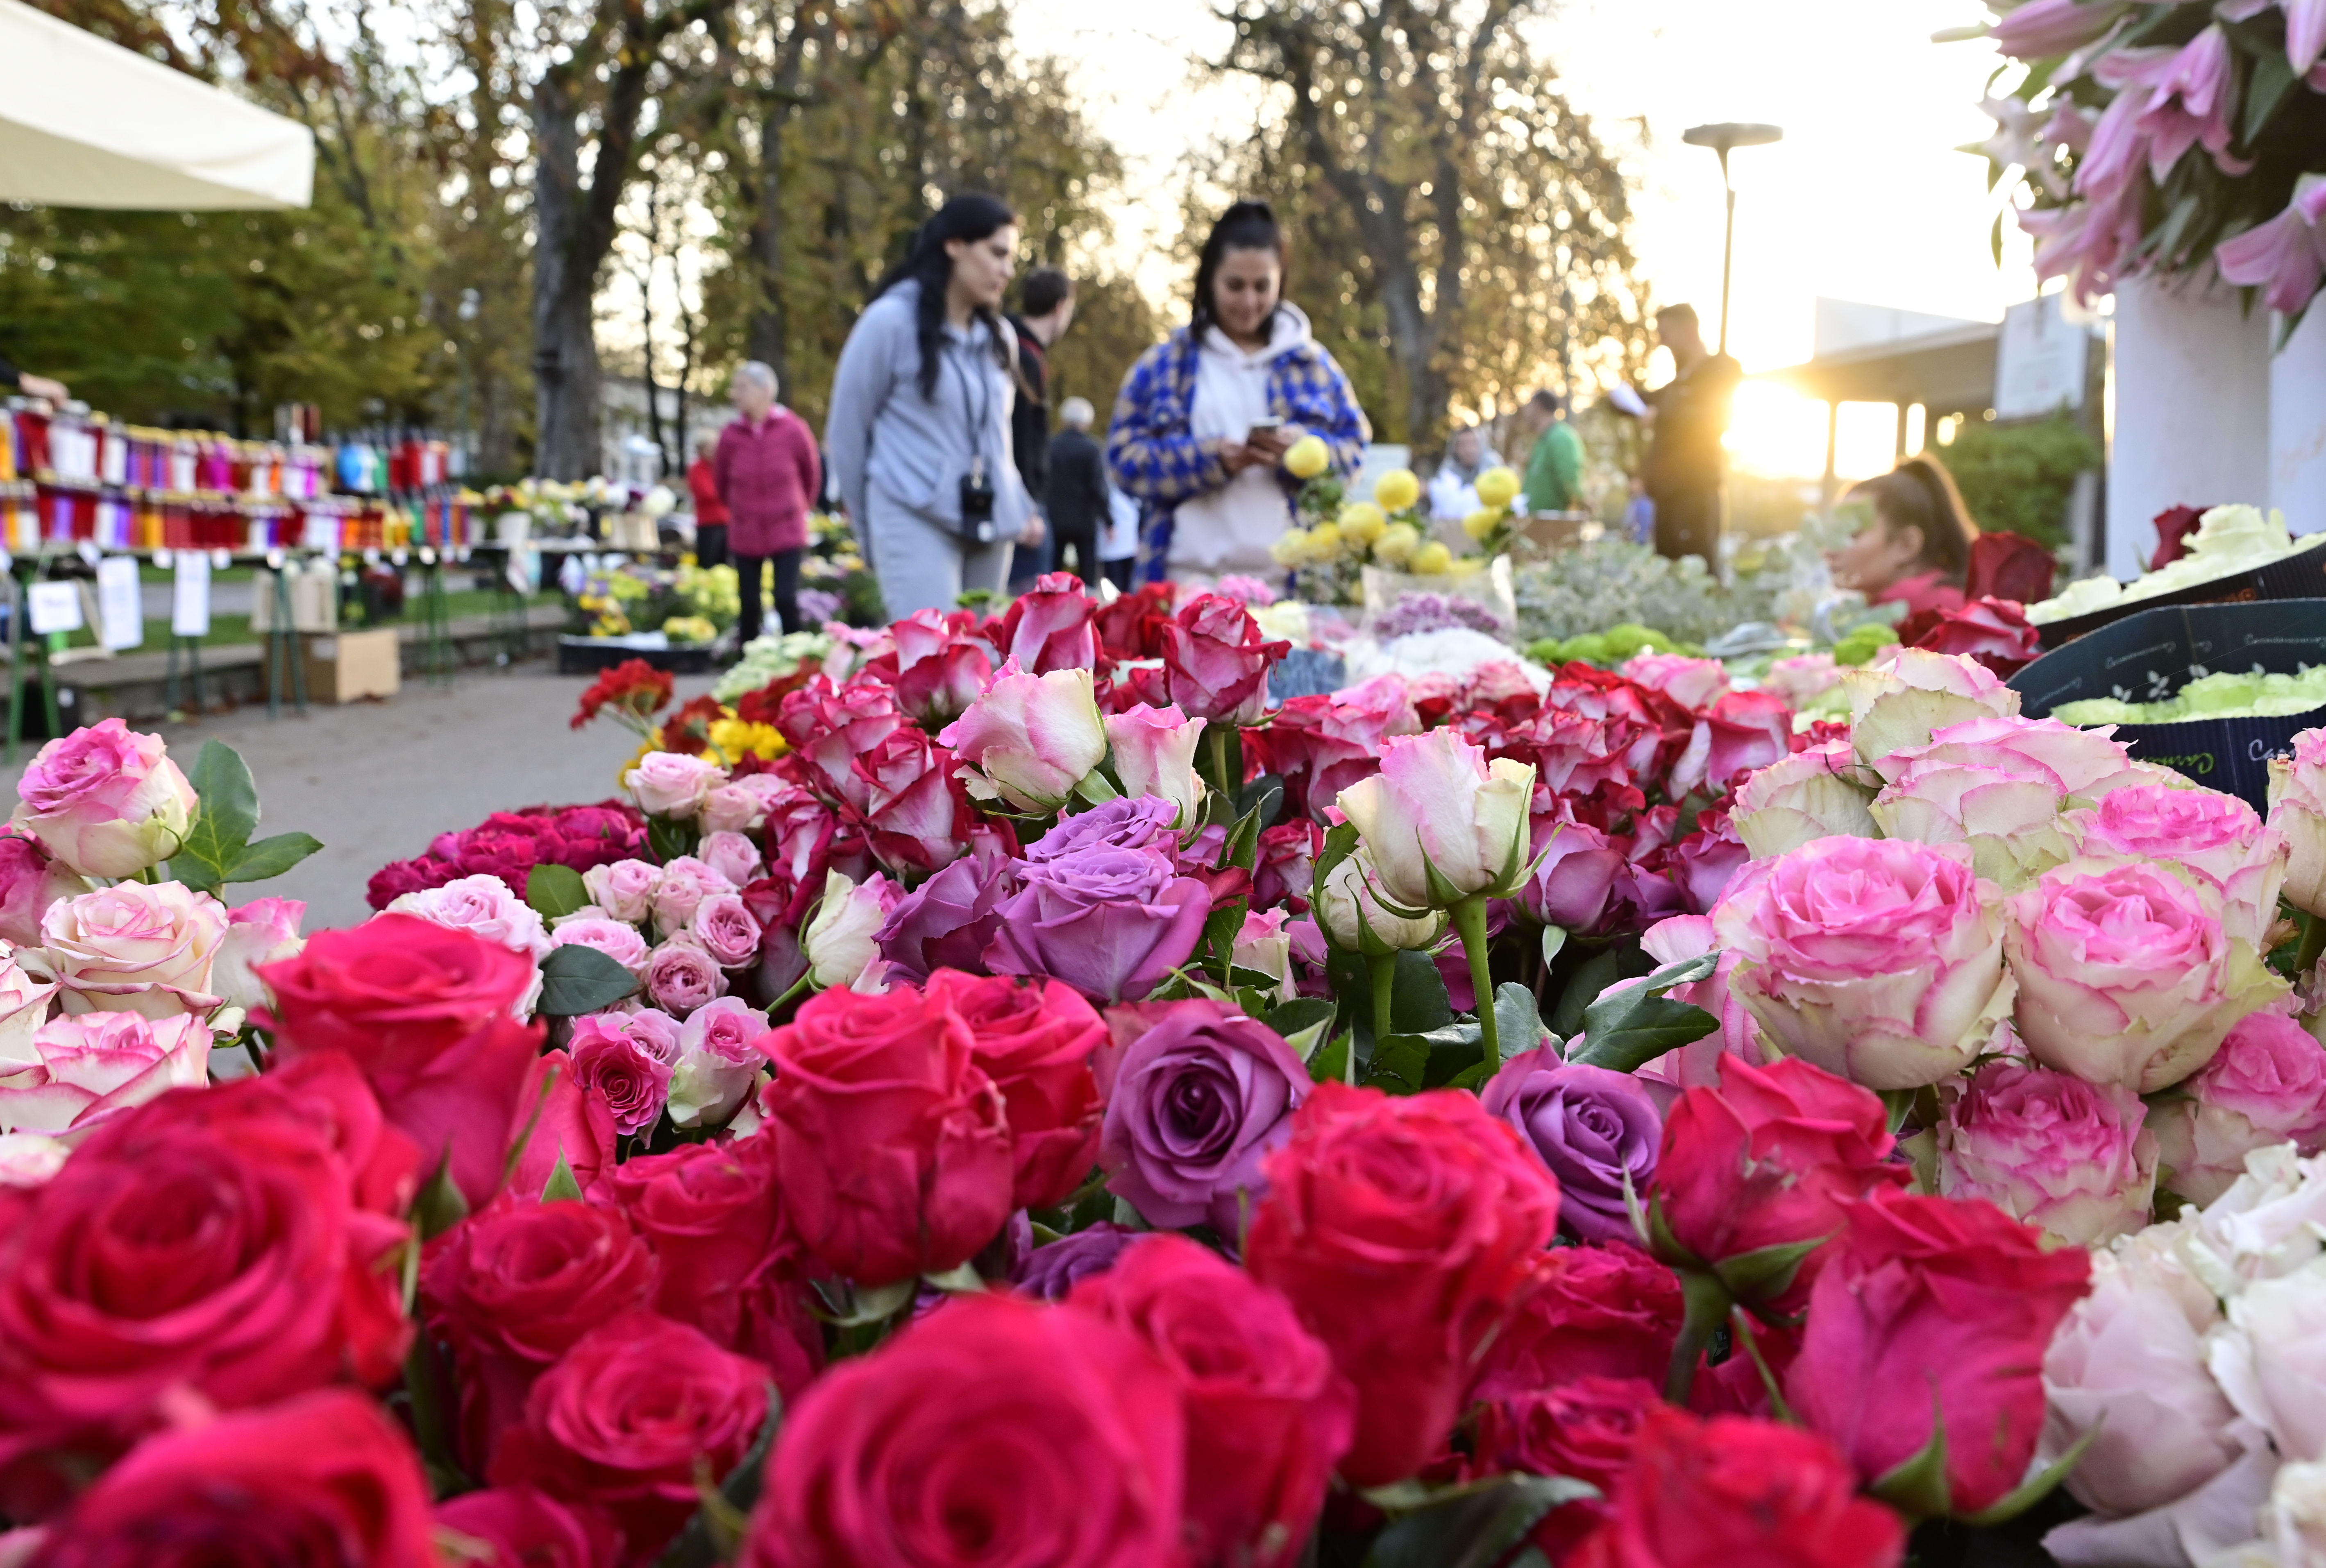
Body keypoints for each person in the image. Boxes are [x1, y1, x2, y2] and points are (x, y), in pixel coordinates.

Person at [1107, 199, 1369, 585]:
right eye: (1235, 286)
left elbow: (1354, 453)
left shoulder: (1314, 365)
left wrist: (1302, 453)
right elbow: (1123, 460)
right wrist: (1209, 460)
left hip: (1286, 589)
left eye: (1262, 286)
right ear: (1209, 280)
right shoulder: (1163, 365)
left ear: (1281, 281)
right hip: (1183, 583)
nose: (1249, 302)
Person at [825, 192, 1032, 616]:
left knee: (988, 669)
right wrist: (870, 531)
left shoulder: (1001, 338)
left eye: (1010, 258)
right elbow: (846, 434)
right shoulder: (889, 322)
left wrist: (1021, 504)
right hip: (910, 515)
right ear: (954, 245)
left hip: (991, 523)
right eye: (996, 253)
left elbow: (1002, 438)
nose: (1007, 271)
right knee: (933, 667)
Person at [715, 362, 822, 645]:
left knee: (785, 598)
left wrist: (799, 507)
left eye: (741, 388)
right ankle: (748, 669)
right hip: (746, 530)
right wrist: (740, 510)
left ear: (766, 390)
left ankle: (797, 664)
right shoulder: (730, 436)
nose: (734, 395)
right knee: (749, 605)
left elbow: (810, 474)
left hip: (786, 528)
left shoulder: (793, 429)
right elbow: (721, 482)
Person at [1636, 303, 1743, 565]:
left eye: (1666, 334)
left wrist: (1661, 419)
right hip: (1666, 496)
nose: (1663, 343)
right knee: (1668, 572)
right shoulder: (1675, 384)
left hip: (1695, 495)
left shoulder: (1721, 369)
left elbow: (1713, 420)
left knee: (1698, 571)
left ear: (1690, 329)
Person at [1827, 456, 1981, 618]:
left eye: (1853, 534)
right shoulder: (1949, 598)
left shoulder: (1907, 610)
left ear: (1906, 545)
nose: (1828, 551)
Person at [1006, 267, 1075, 588]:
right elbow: (1020, 435)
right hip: (1022, 502)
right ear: (1061, 306)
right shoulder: (1024, 358)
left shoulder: (1013, 347)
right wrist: (1027, 505)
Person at [1045, 395, 1110, 589]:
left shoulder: (1051, 446)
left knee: (1053, 569)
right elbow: (1098, 486)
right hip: (1084, 519)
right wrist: (1109, 519)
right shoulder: (1092, 448)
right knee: (1087, 571)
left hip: (1055, 516)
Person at [1517, 391, 1585, 516]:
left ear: (1538, 407)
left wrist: (1581, 505)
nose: (1525, 413)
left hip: (1553, 526)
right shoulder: (1542, 441)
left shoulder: (1561, 438)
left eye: (1529, 406)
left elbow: (1570, 482)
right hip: (1536, 524)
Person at [1427, 424, 1505, 523]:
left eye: (1473, 443)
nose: (1469, 450)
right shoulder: (1449, 469)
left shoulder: (1492, 465)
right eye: (1463, 445)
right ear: (1455, 448)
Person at [686, 435, 730, 569]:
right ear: (700, 450)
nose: (714, 452)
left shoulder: (721, 467)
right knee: (708, 562)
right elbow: (706, 493)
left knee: (725, 563)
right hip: (709, 522)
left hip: (726, 521)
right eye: (710, 449)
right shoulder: (696, 469)